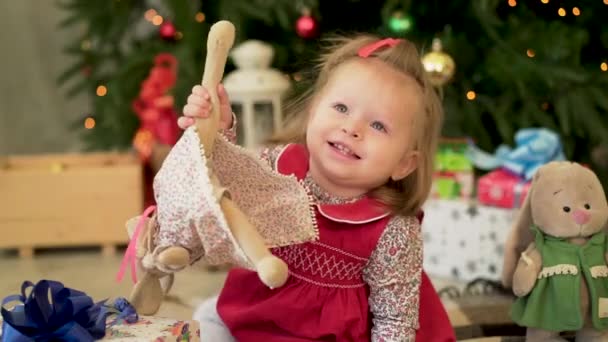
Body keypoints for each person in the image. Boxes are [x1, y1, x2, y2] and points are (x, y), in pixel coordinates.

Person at [179, 34, 454, 341]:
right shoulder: (278, 166)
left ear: (404, 163)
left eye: (378, 125)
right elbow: (225, 184)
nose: (352, 128)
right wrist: (216, 129)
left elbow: (394, 321)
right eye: (341, 107)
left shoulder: (392, 232)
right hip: (253, 315)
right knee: (207, 323)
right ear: (313, 112)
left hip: (326, 336)